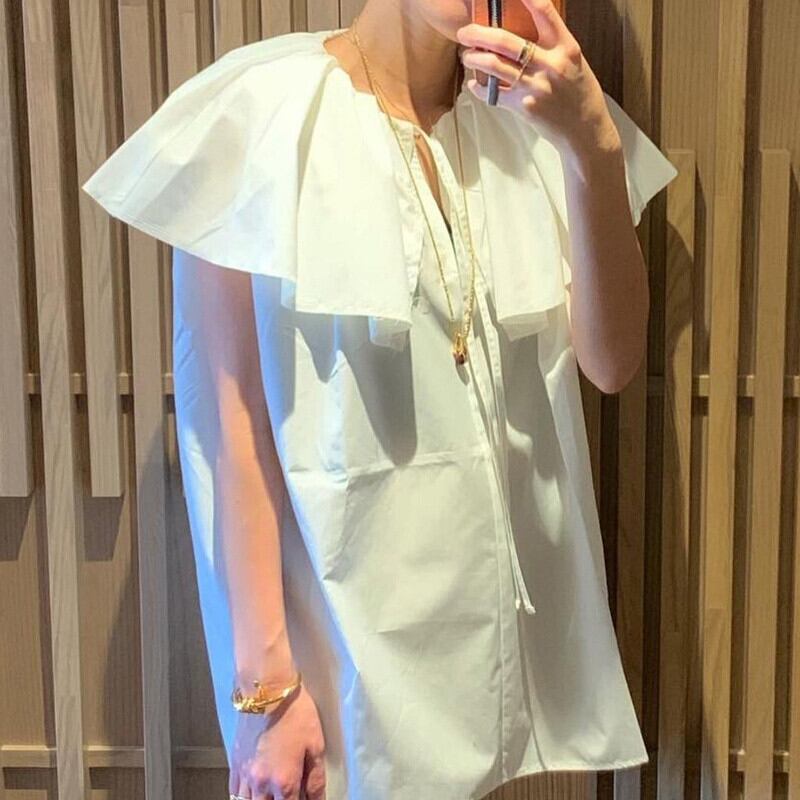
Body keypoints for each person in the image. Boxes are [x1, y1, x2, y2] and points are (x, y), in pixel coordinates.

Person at [82, 0, 678, 797]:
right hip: (335, 672)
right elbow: (230, 422)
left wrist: (591, 144)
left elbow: (612, 360)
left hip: (495, 665)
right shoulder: (260, 115)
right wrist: (265, 692)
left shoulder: (536, 127)